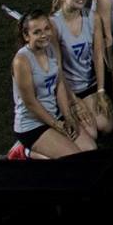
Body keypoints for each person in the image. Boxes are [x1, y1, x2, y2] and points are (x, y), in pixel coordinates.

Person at [12, 11, 97, 159]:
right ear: (27, 36)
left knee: (90, 149)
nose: (44, 35)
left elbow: (60, 86)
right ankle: (26, 152)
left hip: (54, 116)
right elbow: (30, 102)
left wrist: (68, 117)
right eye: (37, 32)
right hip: (32, 124)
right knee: (74, 159)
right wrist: (56, 124)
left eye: (47, 29)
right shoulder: (22, 60)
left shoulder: (51, 48)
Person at [50, 0, 113, 144]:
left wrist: (101, 91)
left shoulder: (92, 17)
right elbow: (56, 68)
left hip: (89, 86)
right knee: (92, 134)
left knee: (107, 126)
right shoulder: (54, 25)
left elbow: (98, 56)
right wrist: (73, 100)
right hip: (66, 89)